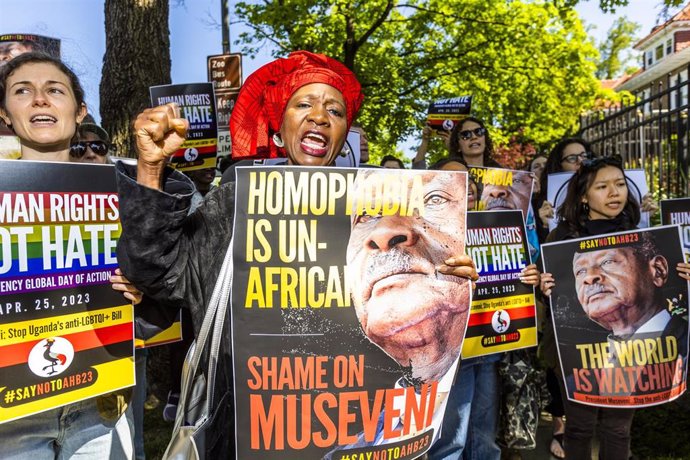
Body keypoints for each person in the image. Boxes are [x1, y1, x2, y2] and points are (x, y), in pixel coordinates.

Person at [115, 51, 479, 458]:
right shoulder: (238, 203)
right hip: (245, 426)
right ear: (279, 124)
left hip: (348, 428)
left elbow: (409, 336)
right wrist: (151, 167)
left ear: (344, 133)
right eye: (304, 104)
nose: (319, 116)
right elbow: (159, 273)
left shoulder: (377, 216)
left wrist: (448, 283)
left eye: (335, 110)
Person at [0, 51, 139, 459]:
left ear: (79, 112)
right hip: (13, 419)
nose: (40, 99)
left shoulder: (125, 195)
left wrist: (141, 287)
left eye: (54, 90)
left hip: (101, 408)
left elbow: (166, 295)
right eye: (22, 90)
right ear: (6, 114)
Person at [539, 155, 690, 460]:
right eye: (602, 186)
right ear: (583, 195)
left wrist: (683, 276)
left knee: (618, 430)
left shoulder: (639, 233)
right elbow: (551, 298)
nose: (614, 193)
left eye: (620, 184)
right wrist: (543, 287)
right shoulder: (562, 237)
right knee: (579, 429)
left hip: (636, 356)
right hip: (576, 357)